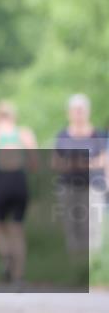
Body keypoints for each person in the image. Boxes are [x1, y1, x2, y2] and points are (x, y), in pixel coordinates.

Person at [0, 100, 39, 285]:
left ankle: (6, 253)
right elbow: (35, 162)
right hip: (20, 180)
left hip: (2, 180)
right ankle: (18, 275)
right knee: (17, 229)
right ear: (14, 116)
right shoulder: (24, 134)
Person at [52, 93, 107, 257]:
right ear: (69, 112)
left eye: (81, 110)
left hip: (93, 186)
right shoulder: (62, 136)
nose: (79, 113)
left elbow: (104, 160)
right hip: (68, 187)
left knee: (93, 228)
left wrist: (78, 163)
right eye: (75, 110)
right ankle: (77, 269)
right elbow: (55, 162)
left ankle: (93, 267)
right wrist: (85, 162)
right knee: (72, 227)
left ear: (88, 111)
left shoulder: (99, 135)